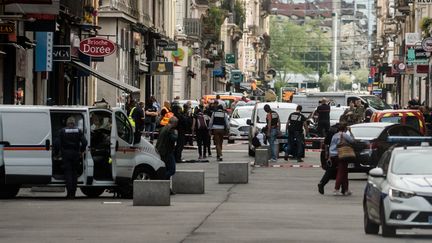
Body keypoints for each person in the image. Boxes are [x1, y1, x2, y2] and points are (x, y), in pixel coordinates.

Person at [54, 117, 88, 199]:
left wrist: (57, 153)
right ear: (74, 123)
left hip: (66, 155)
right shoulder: (78, 131)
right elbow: (85, 142)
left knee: (68, 173)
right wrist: (81, 151)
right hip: (75, 154)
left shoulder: (62, 131)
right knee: (74, 173)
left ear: (67, 123)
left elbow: (57, 143)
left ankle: (69, 193)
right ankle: (73, 193)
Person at [329, 122, 355, 196]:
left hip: (333, 155)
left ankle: (346, 189)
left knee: (344, 172)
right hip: (342, 155)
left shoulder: (334, 135)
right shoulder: (344, 135)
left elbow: (331, 145)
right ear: (345, 129)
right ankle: (336, 189)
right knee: (341, 172)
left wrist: (329, 156)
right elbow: (353, 141)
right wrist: (350, 132)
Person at [317, 123, 343, 195]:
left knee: (331, 171)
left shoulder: (331, 130)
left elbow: (326, 143)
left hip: (332, 154)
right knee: (341, 171)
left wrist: (326, 154)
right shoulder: (341, 133)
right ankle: (343, 188)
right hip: (340, 154)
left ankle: (322, 183)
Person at [155, 116, 178, 195]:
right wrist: (176, 134)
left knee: (167, 169)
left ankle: (167, 188)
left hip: (161, 151)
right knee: (172, 169)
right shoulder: (170, 130)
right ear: (174, 123)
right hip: (167, 152)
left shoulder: (164, 128)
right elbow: (174, 138)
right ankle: (161, 180)